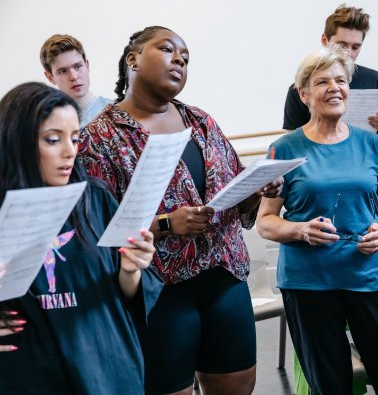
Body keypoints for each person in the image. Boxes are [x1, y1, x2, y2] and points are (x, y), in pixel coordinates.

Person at [79, 26, 281, 395]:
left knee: (239, 385)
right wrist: (166, 224)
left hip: (225, 279)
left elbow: (233, 192)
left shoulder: (201, 121)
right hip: (160, 289)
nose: (179, 62)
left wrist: (259, 190)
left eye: (185, 59)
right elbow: (95, 229)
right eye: (168, 50)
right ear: (133, 58)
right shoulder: (100, 137)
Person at [257, 46, 378, 395]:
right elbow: (266, 222)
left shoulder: (371, 143)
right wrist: (300, 229)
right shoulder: (283, 149)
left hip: (371, 276)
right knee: (330, 386)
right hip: (309, 284)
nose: (334, 88)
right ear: (303, 94)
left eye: (341, 80)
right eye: (322, 81)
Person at [0, 82, 160, 393]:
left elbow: (128, 294)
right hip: (31, 376)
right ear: (15, 141)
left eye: (74, 139)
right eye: (52, 139)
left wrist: (132, 270)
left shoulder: (94, 199)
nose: (69, 152)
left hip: (105, 368)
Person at [283, 4, 378, 151]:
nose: (348, 53)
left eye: (355, 47)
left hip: (367, 165)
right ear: (324, 40)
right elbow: (291, 145)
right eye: (342, 45)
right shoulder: (302, 88)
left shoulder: (377, 81)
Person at [40, 34, 111, 126]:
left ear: (87, 65)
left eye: (78, 66)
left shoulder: (120, 112)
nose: (73, 77)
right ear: (50, 77)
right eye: (63, 71)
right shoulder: (48, 126)